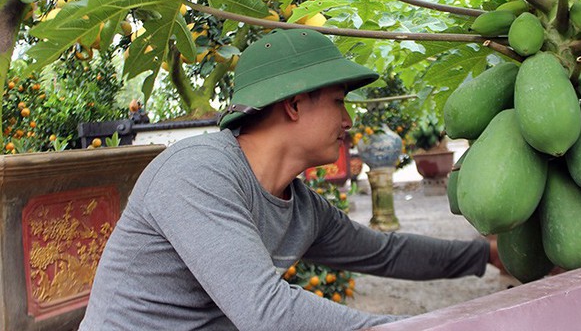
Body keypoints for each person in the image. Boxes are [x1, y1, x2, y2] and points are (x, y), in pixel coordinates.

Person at [80, 29, 500, 331]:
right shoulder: (197, 173)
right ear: (295, 105)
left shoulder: (301, 208)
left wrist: (485, 255)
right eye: (339, 102)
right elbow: (266, 313)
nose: (349, 120)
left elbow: (385, 253)